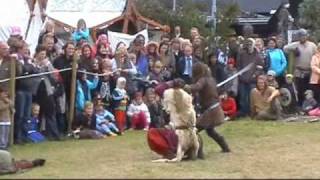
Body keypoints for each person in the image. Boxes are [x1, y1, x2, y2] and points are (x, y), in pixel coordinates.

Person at [184, 62, 231, 155]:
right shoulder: (211, 80)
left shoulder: (203, 80)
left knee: (194, 130)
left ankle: (198, 152)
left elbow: (196, 87)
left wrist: (186, 87)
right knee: (210, 131)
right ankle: (225, 147)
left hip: (211, 110)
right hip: (214, 109)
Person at [284, 29, 317, 105]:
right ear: (298, 37)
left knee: (310, 89)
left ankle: (310, 105)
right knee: (300, 89)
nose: (302, 37)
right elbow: (285, 48)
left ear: (307, 36)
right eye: (301, 36)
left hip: (310, 71)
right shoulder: (295, 44)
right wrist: (293, 49)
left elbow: (317, 55)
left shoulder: (312, 45)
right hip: (299, 71)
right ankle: (300, 105)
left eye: (304, 36)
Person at [237, 38, 263, 117]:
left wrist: (255, 74)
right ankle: (243, 113)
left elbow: (260, 67)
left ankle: (251, 113)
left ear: (254, 45)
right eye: (248, 44)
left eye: (250, 44)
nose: (249, 46)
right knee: (243, 97)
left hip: (252, 80)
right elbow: (238, 66)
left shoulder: (258, 55)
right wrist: (240, 75)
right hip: (243, 80)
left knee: (252, 97)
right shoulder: (242, 54)